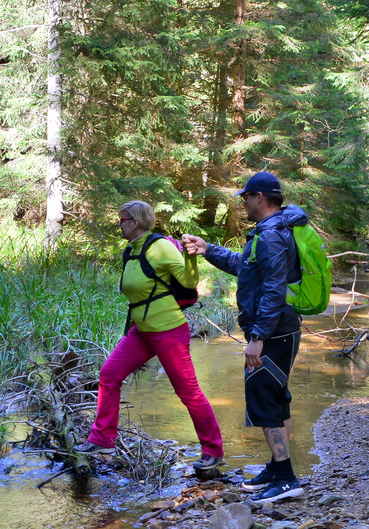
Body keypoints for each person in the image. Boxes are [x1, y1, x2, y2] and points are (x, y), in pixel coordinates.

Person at [182, 171, 308, 504]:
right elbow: (244, 265)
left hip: (274, 331)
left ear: (260, 198)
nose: (243, 203)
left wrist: (258, 337)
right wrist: (208, 249)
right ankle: (278, 467)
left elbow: (273, 289)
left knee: (266, 401)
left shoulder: (271, 236)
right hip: (280, 330)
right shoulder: (272, 231)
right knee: (277, 399)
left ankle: (285, 478)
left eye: (246, 197)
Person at [75, 200, 226, 478]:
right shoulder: (131, 252)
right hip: (142, 330)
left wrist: (191, 256)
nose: (118, 224)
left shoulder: (161, 247)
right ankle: (102, 441)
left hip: (169, 330)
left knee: (188, 393)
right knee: (109, 374)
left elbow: (190, 281)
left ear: (135, 222)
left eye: (122, 219)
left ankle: (213, 451)